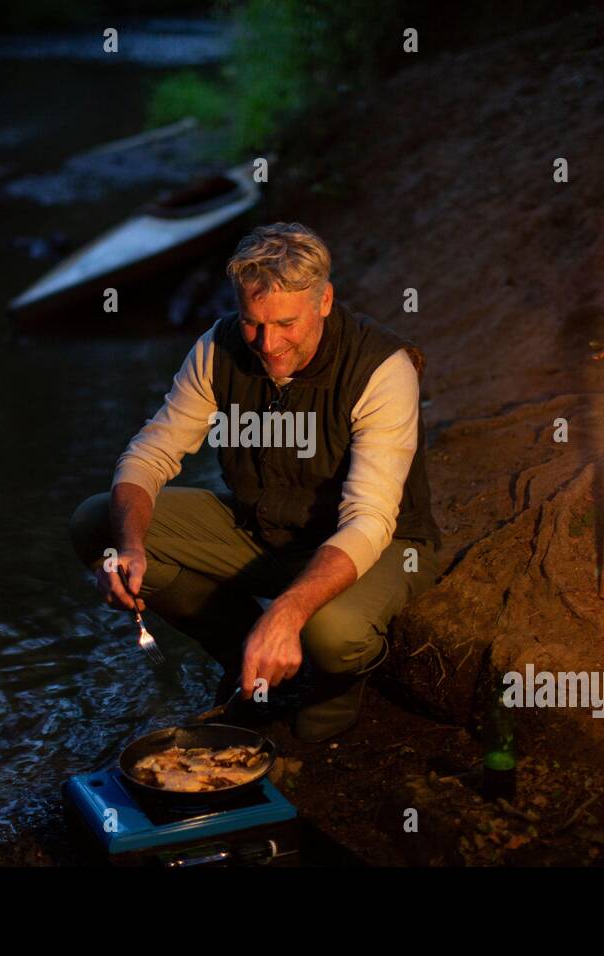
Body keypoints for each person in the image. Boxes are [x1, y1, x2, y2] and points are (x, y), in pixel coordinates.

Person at [69, 222, 442, 742]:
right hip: (265, 530)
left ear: (325, 300)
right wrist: (129, 547)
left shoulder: (382, 368)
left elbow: (370, 519)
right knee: (98, 523)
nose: (269, 344)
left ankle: (334, 690)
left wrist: (287, 613)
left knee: (329, 638)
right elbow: (149, 454)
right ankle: (247, 650)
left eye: (286, 323)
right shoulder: (217, 348)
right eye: (252, 323)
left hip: (381, 545)